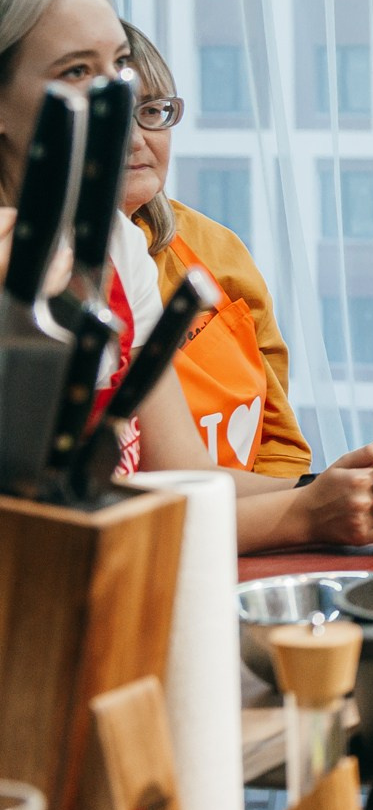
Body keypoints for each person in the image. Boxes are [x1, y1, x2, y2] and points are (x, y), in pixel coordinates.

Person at [0, 0, 373, 551]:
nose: (115, 99)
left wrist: (319, 490)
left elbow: (181, 476)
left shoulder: (117, 242)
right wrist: (304, 514)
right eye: (75, 71)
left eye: (119, 64)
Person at [119, 23, 311, 478]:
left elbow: (278, 442)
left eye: (151, 111)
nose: (135, 140)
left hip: (253, 526)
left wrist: (300, 517)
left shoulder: (214, 249)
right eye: (110, 117)